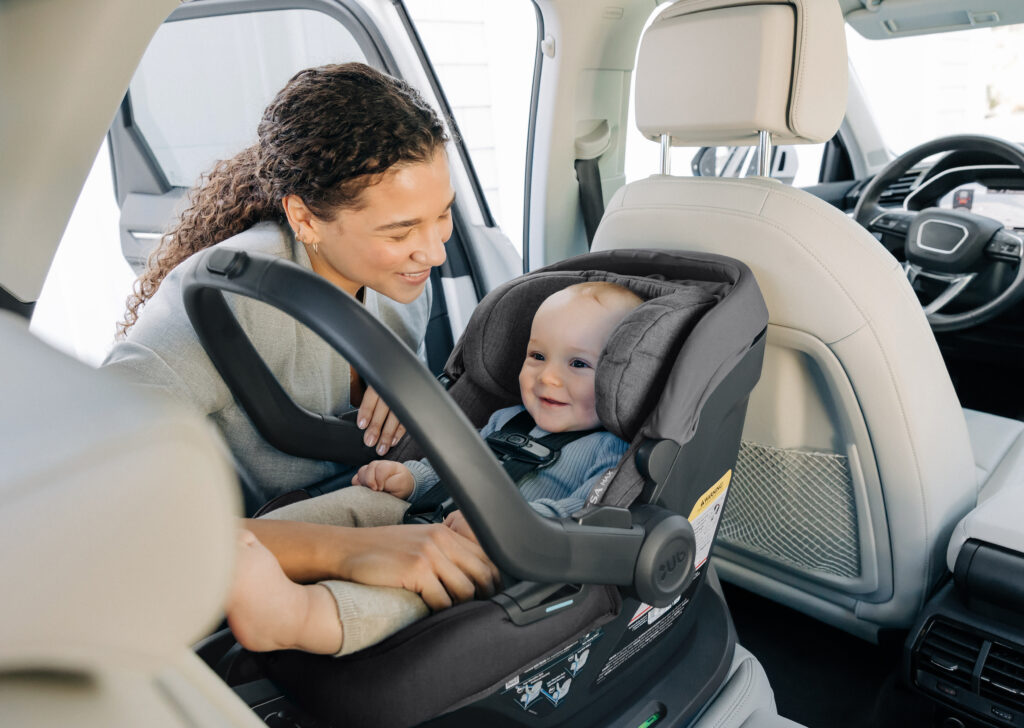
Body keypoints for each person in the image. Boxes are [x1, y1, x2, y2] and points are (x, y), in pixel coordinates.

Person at [103, 62, 497, 620]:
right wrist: (351, 552)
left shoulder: (399, 284)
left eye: (442, 215)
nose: (433, 251)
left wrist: (406, 383)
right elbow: (90, 499)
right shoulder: (219, 308)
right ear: (304, 218)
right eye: (401, 230)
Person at [227, 281, 644, 656]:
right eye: (537, 356)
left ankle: (295, 617)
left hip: (497, 560)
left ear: (617, 382)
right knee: (363, 501)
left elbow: (581, 518)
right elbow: (457, 466)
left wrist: (508, 526)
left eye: (578, 365)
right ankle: (245, 544)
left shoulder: (608, 451)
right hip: (430, 515)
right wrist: (412, 478)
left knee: (419, 593)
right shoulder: (507, 420)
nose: (548, 378)